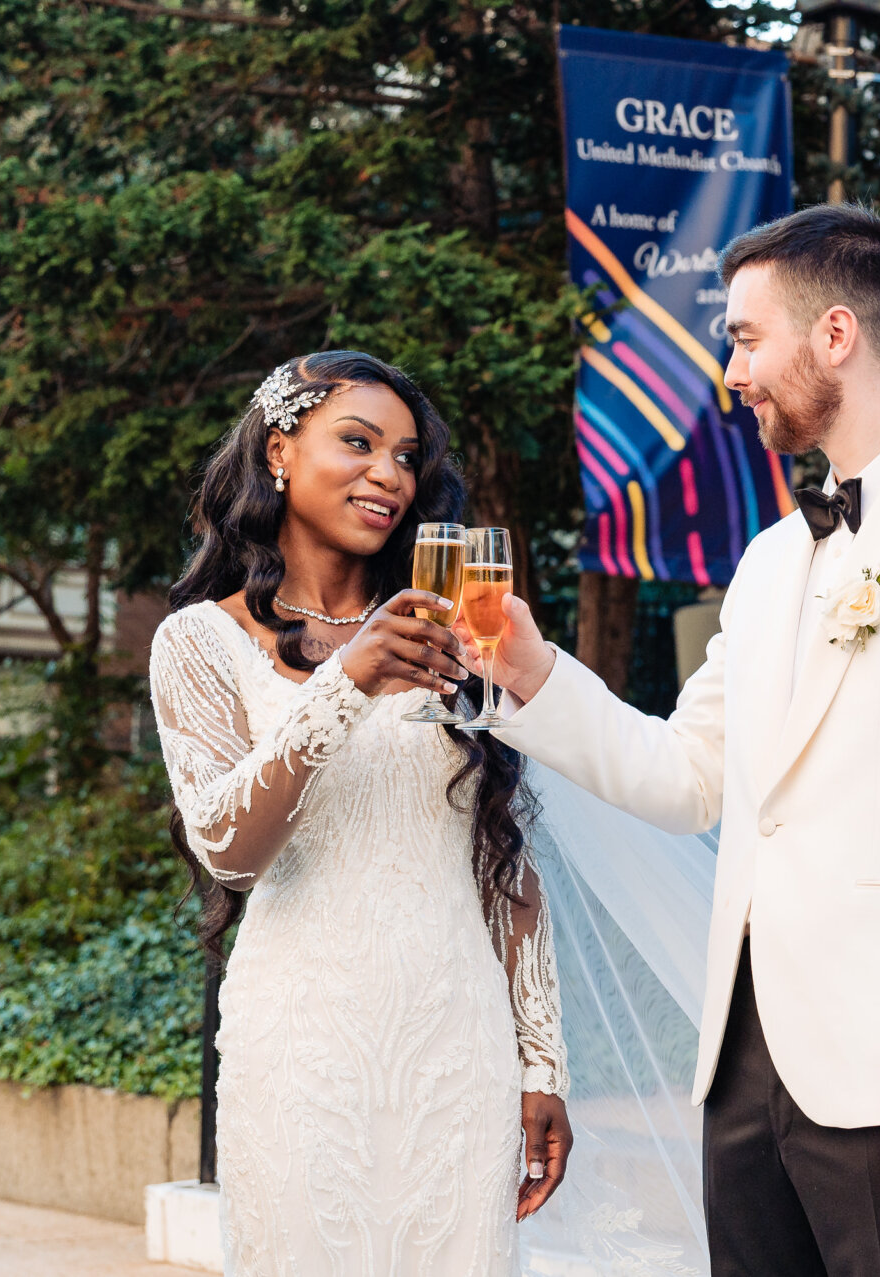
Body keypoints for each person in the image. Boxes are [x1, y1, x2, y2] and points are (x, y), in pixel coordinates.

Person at [481, 203, 880, 1277]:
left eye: (744, 336)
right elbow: (686, 774)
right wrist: (530, 671)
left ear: (836, 336)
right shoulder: (771, 560)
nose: (731, 370)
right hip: (747, 1078)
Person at [148, 351, 572, 1276]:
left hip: (457, 1051)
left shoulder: (458, 628)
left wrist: (541, 1062)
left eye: (408, 456)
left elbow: (507, 856)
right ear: (278, 452)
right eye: (359, 442)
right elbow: (227, 849)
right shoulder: (198, 642)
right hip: (301, 1052)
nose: (390, 473)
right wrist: (347, 681)